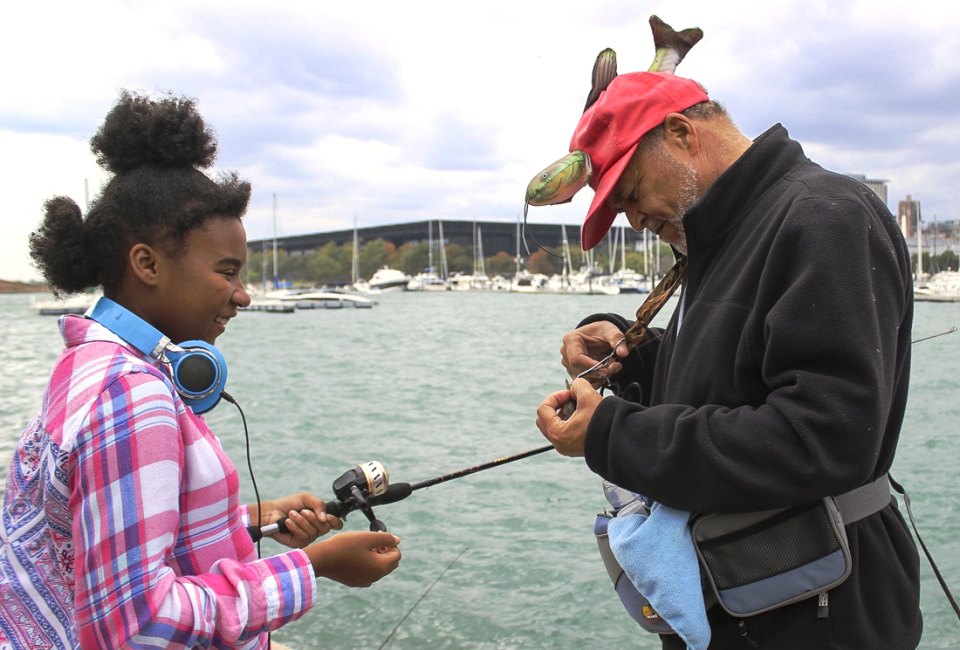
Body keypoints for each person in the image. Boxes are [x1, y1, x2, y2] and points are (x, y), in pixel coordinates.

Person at [534, 71, 922, 648]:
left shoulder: (823, 215)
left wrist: (611, 434)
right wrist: (632, 355)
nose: (632, 218)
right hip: (759, 600)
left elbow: (822, 438)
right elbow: (741, 372)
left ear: (681, 133)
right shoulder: (728, 231)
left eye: (630, 192)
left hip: (818, 613)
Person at [0, 90, 401, 648]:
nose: (243, 296)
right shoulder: (133, 397)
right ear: (147, 263)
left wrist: (247, 519)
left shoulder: (86, 362)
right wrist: (314, 568)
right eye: (227, 271)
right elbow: (137, 625)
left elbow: (100, 539)